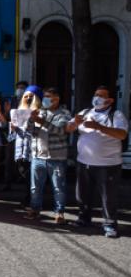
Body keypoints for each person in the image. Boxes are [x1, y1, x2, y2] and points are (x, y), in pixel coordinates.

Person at [66, 86, 128, 238]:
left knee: (108, 196)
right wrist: (74, 123)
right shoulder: (85, 112)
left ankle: (110, 224)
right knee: (83, 194)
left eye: (101, 96)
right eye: (96, 94)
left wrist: (98, 127)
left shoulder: (116, 115)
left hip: (108, 164)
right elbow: (68, 128)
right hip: (84, 162)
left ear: (110, 100)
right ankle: (84, 218)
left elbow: (122, 135)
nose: (97, 98)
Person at [24, 87, 71, 223]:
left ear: (56, 99)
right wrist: (31, 120)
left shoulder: (64, 113)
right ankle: (35, 209)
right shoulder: (41, 112)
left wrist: (41, 121)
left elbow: (60, 131)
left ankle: (59, 212)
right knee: (35, 187)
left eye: (48, 96)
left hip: (56, 157)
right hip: (38, 156)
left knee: (58, 187)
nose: (45, 99)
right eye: (44, 96)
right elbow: (30, 131)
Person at [8, 87, 40, 208]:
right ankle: (30, 196)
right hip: (19, 148)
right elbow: (10, 137)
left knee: (31, 174)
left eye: (31, 96)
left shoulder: (38, 111)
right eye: (26, 96)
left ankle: (31, 198)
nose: (28, 98)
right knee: (23, 172)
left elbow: (38, 130)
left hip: (33, 146)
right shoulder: (15, 111)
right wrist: (12, 129)